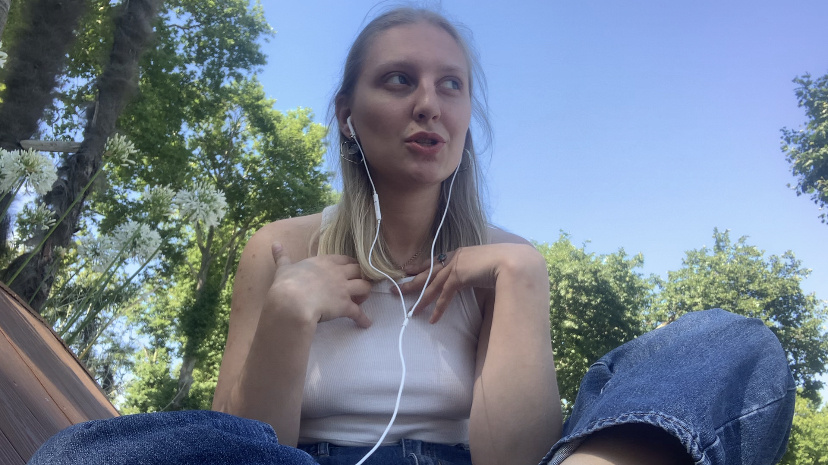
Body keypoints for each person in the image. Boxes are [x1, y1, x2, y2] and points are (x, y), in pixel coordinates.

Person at [28, 7, 795, 465]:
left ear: (465, 115)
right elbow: (235, 444)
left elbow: (513, 460)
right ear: (347, 114)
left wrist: (524, 279)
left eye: (450, 85)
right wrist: (289, 313)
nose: (429, 103)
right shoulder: (279, 246)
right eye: (400, 80)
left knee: (730, 343)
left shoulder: (504, 260)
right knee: (80, 453)